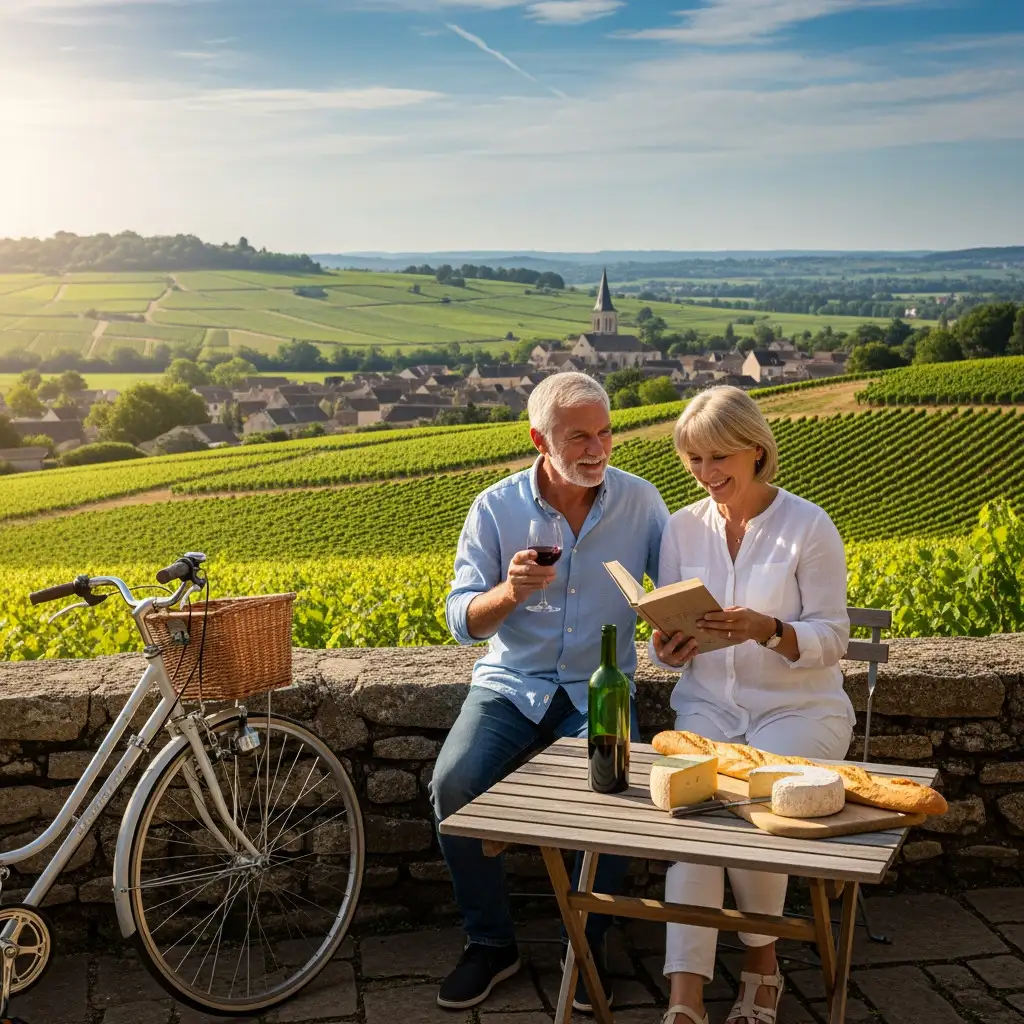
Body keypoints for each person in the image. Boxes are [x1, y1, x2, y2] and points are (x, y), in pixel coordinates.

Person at [430, 371, 669, 1012]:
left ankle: (590, 944)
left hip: (600, 685)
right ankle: (490, 944)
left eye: (605, 433)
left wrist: (674, 633)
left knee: (619, 791)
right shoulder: (495, 507)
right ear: (539, 439)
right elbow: (459, 621)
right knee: (454, 783)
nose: (596, 449)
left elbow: (671, 594)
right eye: (578, 437)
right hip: (512, 683)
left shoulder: (641, 503)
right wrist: (509, 593)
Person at [650, 385, 853, 1024]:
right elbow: (665, 647)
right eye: (693, 461)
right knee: (692, 815)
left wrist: (768, 628)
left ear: (756, 451)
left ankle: (761, 967)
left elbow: (834, 639)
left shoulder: (808, 526)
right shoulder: (681, 528)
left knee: (751, 803)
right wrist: (669, 647)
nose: (706, 474)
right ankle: (685, 1001)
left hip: (799, 712)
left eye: (718, 458)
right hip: (709, 708)